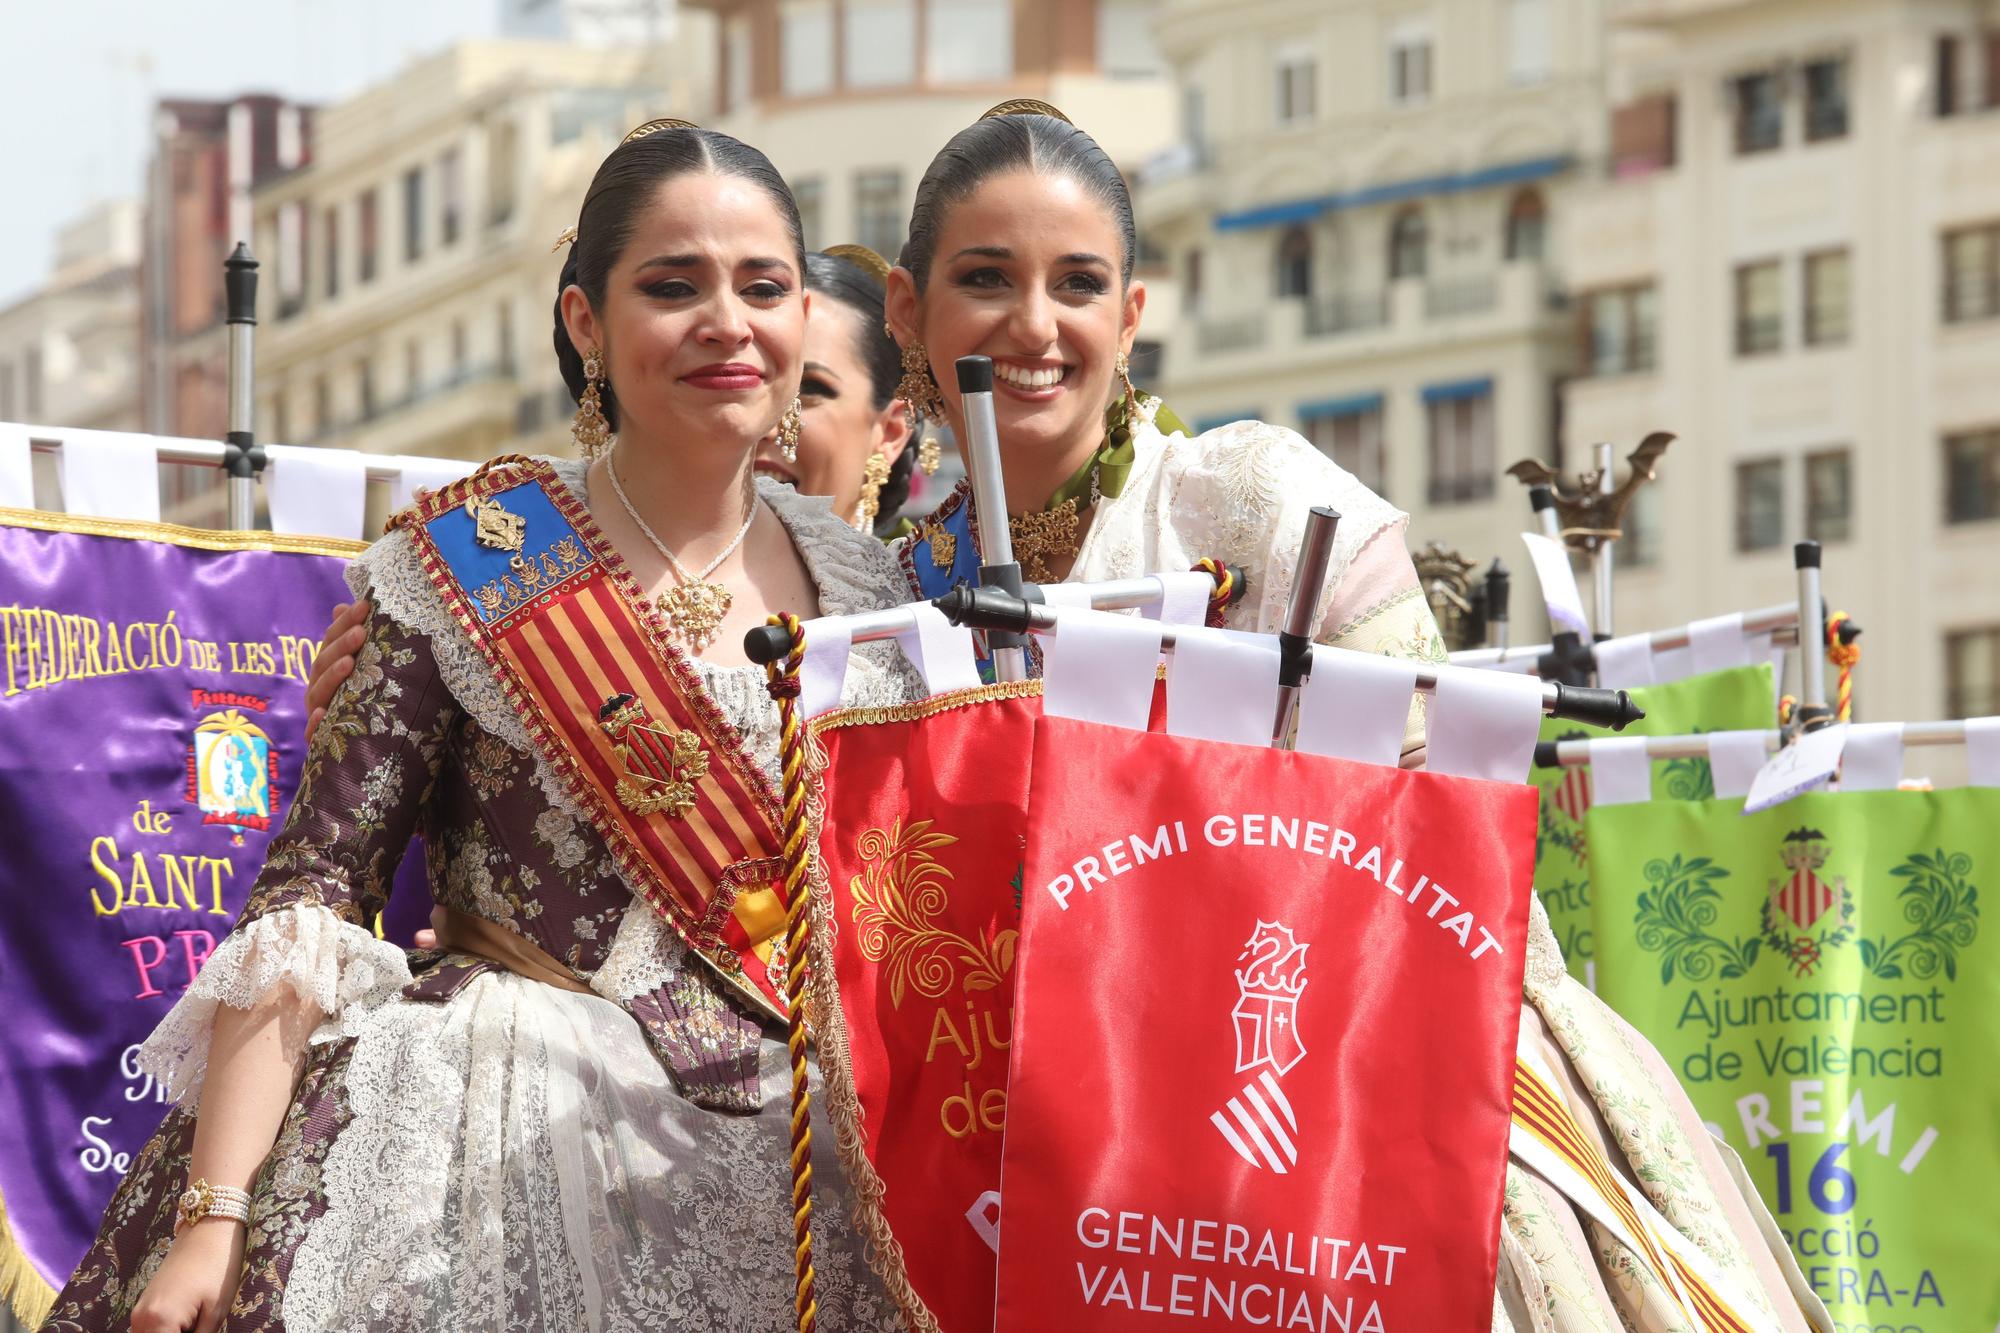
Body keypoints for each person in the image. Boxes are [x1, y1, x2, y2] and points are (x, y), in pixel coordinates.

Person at [882, 101, 1826, 1331]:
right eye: (984, 279)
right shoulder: (885, 589)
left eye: (1077, 283)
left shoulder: (1256, 504)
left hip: (1338, 1092)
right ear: (905, 312)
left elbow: (1441, 825)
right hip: (1023, 1151)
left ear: (1129, 315)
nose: (1033, 325)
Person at [42, 121, 917, 1333]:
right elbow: (312, 896)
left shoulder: (871, 591)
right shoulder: (466, 561)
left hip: (801, 1164)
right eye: (673, 286)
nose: (728, 322)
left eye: (762, 287)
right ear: (583, 323)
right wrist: (215, 1216)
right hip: (496, 1146)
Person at [305, 245, 924, 736]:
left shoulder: (917, 601)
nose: (732, 359)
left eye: (806, 391)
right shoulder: (494, 557)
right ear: (590, 327)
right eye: (674, 291)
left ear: (890, 432)